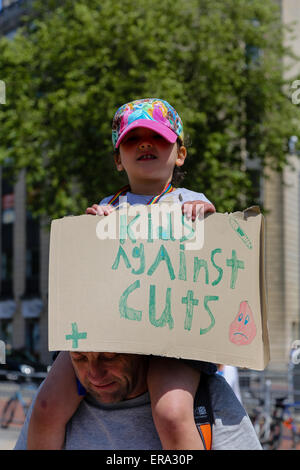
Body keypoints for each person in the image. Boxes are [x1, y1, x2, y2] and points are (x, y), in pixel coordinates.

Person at [26, 98, 220, 450]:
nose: (145, 144)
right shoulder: (107, 208)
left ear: (180, 154)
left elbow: (211, 259)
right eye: (132, 140)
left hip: (172, 343)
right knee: (46, 406)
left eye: (158, 137)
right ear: (118, 159)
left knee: (172, 413)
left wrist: (205, 215)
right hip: (106, 338)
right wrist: (91, 229)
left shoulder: (191, 203)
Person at [15, 351, 262, 450]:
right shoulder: (52, 402)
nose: (94, 373)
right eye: (79, 357)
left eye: (109, 357)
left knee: (172, 414)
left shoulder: (207, 396)